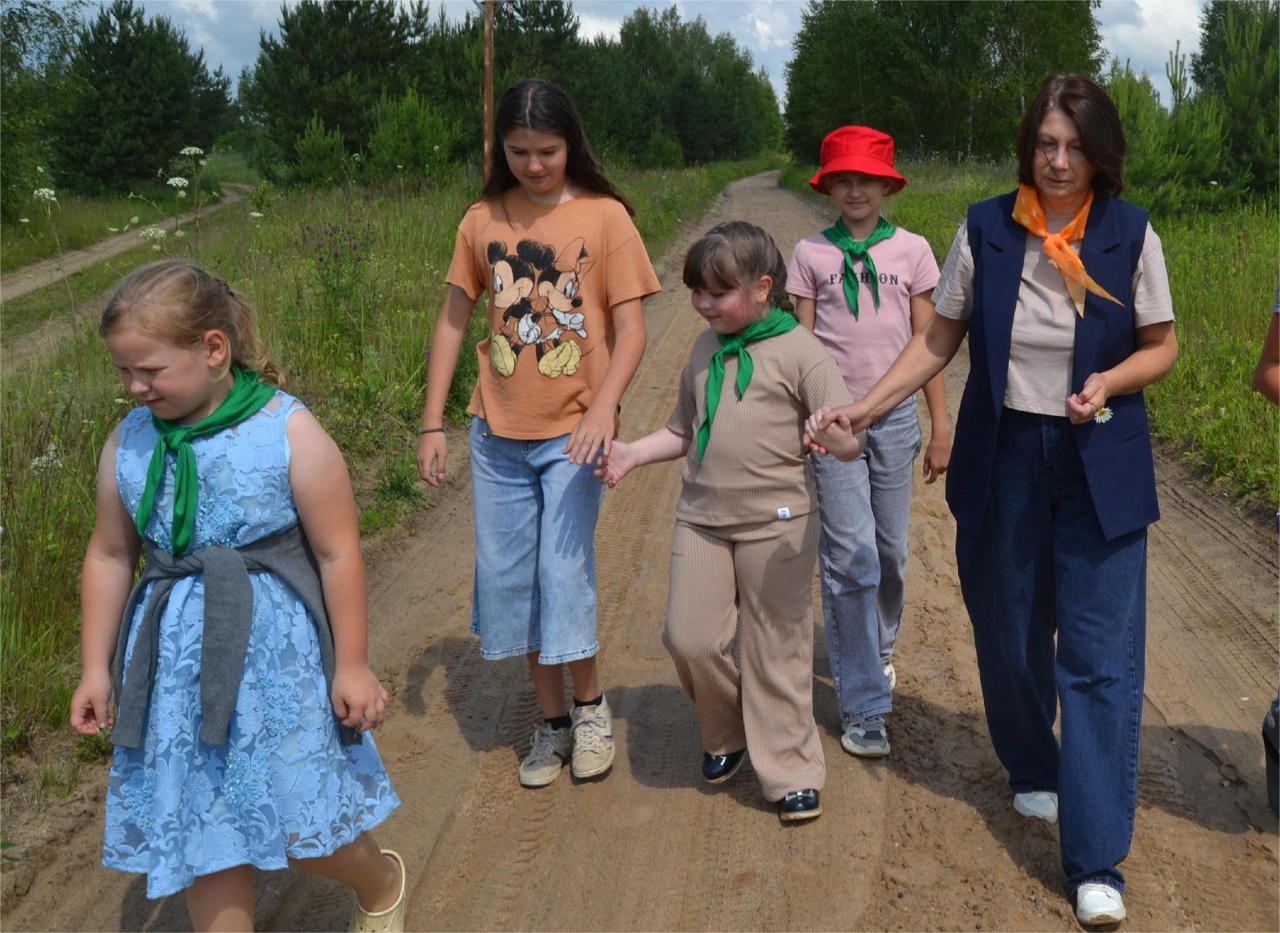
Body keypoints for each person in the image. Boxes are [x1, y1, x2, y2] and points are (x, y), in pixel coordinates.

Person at [813, 74, 1177, 925]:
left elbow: (1160, 345)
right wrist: (867, 406)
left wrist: (1109, 381)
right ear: (1028, 149)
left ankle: (1096, 859)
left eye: (1075, 146)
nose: (1059, 161)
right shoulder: (986, 227)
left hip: (1099, 457)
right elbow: (938, 335)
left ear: (1101, 153)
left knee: (1097, 656)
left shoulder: (1130, 233)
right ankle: (1033, 762)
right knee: (1008, 628)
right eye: (1046, 144)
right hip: (1005, 451)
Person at [69, 260, 406, 933]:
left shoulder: (287, 430)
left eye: (149, 370)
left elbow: (338, 553)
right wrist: (95, 667)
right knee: (205, 833)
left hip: (274, 667)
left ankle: (380, 881)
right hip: (175, 676)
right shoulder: (129, 441)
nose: (134, 387)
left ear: (214, 348)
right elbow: (110, 553)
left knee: (306, 827)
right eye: (123, 371)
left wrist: (352, 664)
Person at [416, 78, 659, 788]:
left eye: (547, 151)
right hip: (496, 435)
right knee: (511, 580)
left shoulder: (606, 218)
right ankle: (551, 722)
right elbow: (453, 321)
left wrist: (604, 408)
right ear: (502, 149)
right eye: (518, 151)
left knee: (561, 572)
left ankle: (590, 710)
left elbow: (633, 331)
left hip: (574, 436)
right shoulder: (481, 220)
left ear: (570, 144)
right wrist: (432, 422)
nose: (533, 165)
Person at [597, 221, 865, 823]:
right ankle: (728, 732)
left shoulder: (801, 350)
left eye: (718, 293)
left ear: (763, 287)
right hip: (703, 520)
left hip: (779, 523)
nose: (703, 304)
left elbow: (850, 441)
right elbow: (682, 430)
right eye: (697, 292)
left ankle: (792, 771)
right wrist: (633, 453)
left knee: (776, 648)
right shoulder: (703, 349)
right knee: (688, 638)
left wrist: (835, 438)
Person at [787, 125, 949, 759]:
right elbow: (801, 347)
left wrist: (941, 426)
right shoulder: (810, 254)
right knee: (849, 554)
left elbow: (930, 345)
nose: (855, 191)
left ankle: (876, 649)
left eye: (867, 180)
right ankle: (863, 702)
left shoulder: (913, 251)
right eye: (843, 181)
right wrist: (804, 422)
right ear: (827, 186)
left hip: (897, 419)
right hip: (834, 420)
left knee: (890, 552)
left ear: (888, 186)